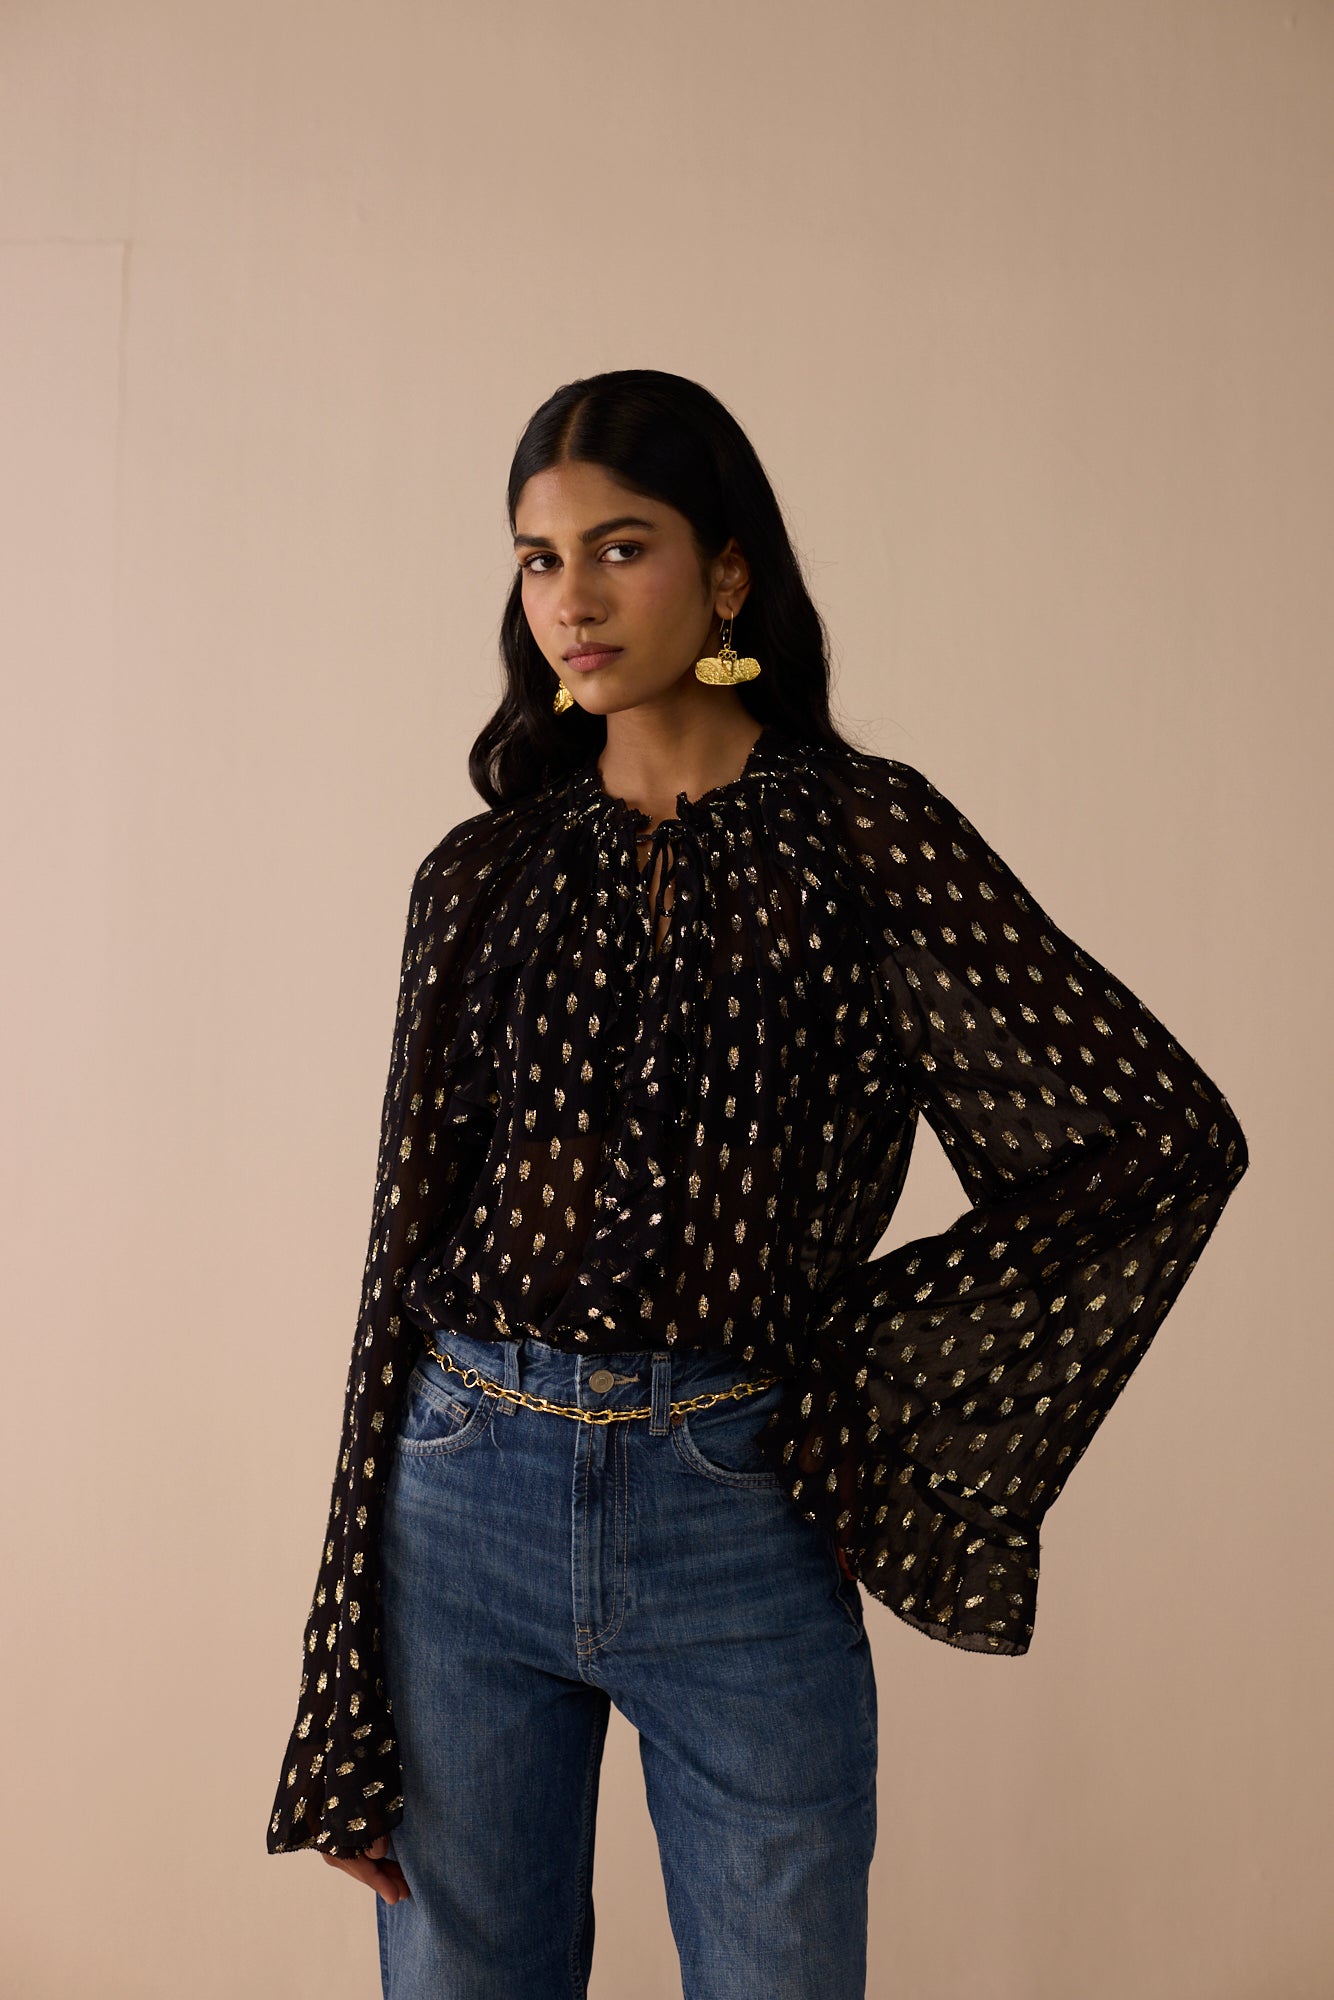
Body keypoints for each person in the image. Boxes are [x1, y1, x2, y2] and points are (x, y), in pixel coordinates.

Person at [265, 369, 1249, 2000]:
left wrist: (853, 1364)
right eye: (537, 559)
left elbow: (1155, 1136)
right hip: (459, 1493)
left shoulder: (862, 841)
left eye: (618, 547)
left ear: (727, 572)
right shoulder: (484, 872)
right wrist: (339, 1686)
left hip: (735, 1500)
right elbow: (399, 1259)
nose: (571, 600)